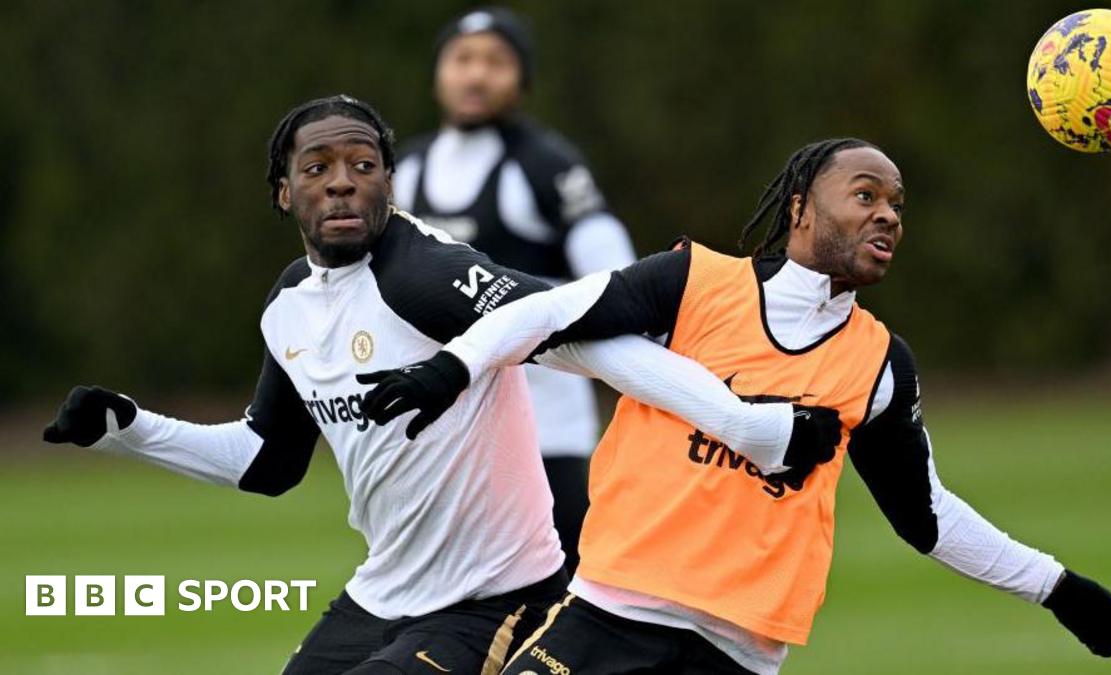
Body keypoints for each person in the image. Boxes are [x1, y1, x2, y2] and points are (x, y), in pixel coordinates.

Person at [39, 95, 825, 674]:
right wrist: (129, 428)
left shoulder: (424, 275)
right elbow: (267, 460)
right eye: (317, 168)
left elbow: (585, 338)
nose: (341, 183)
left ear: (390, 182)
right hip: (382, 594)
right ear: (283, 191)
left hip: (497, 598)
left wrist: (746, 424)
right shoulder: (289, 306)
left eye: (363, 166)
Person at [383, 139, 1111, 673]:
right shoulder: (694, 282)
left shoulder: (881, 364)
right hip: (608, 619)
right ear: (801, 207)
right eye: (866, 196)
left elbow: (927, 517)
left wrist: (1056, 587)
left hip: (736, 654)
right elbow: (551, 314)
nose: (887, 215)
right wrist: (453, 367)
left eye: (897, 206)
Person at [392, 7, 637, 573]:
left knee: (565, 595)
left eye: (495, 62)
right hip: (439, 436)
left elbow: (616, 277)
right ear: (438, 73)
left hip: (546, 437)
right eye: (462, 59)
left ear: (521, 79)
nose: (476, 75)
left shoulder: (547, 166)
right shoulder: (404, 170)